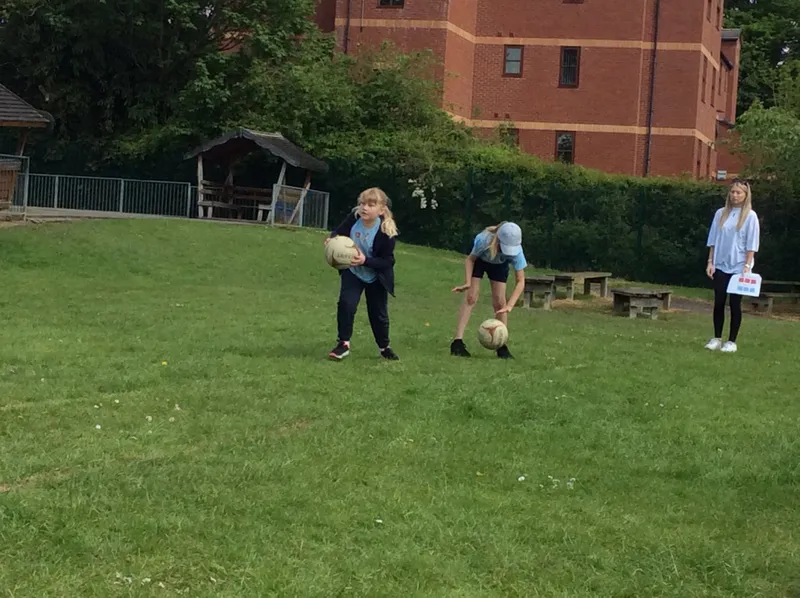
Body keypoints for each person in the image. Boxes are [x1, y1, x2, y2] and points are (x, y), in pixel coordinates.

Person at [326, 187, 399, 361]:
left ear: (381, 210)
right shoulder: (354, 218)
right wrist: (332, 239)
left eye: (371, 205)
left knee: (378, 314)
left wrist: (365, 260)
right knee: (346, 304)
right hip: (353, 272)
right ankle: (343, 344)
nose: (364, 208)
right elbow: (339, 232)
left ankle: (384, 347)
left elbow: (388, 261)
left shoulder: (386, 231)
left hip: (376, 276)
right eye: (362, 204)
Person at [450, 221, 527, 359]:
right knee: (471, 297)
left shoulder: (517, 252)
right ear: (497, 239)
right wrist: (468, 282)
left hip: (499, 265)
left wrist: (509, 306)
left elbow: (521, 281)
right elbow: (470, 260)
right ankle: (457, 343)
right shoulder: (483, 240)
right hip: (479, 261)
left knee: (500, 303)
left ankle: (501, 346)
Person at [704, 179, 760, 353]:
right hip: (721, 264)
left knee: (735, 303)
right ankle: (716, 338)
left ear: (745, 195)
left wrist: (747, 265)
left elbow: (752, 243)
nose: (735, 195)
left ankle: (732, 341)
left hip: (739, 266)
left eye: (739, 193)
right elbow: (713, 240)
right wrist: (710, 262)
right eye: (733, 192)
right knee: (719, 301)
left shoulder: (750, 216)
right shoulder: (721, 213)